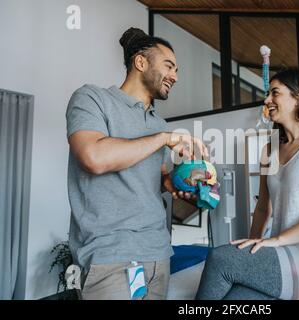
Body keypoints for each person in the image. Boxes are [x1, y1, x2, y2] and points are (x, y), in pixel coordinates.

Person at [66, 27, 207, 300]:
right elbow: (93, 158)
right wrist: (164, 139)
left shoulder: (158, 124)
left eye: (177, 70)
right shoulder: (92, 99)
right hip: (110, 256)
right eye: (169, 66)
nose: (175, 76)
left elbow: (161, 182)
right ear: (140, 63)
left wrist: (185, 182)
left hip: (158, 253)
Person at [195, 69, 299, 300]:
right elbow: (262, 207)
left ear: (298, 97)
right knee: (234, 298)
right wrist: (250, 246)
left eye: (274, 93)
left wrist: (277, 240)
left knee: (220, 258)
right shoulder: (269, 149)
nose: (266, 100)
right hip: (284, 251)